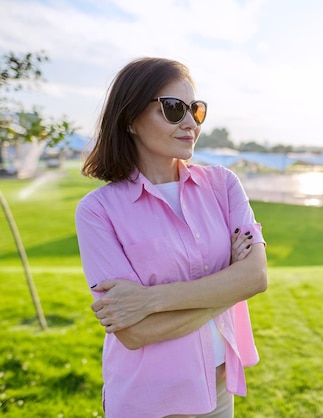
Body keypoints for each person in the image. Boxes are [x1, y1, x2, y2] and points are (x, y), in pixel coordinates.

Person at [75, 57, 268, 418]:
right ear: (130, 118)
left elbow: (256, 277)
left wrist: (149, 299)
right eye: (173, 108)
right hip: (148, 400)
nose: (189, 123)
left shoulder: (224, 185)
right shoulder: (97, 211)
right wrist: (228, 281)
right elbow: (134, 332)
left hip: (218, 388)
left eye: (195, 110)